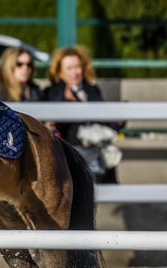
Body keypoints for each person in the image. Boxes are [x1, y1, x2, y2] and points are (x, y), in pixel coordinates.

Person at [43, 45, 123, 183]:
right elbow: (54, 124)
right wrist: (66, 100)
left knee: (96, 195)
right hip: (71, 154)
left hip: (96, 152)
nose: (75, 72)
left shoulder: (92, 89)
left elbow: (103, 117)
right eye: (69, 68)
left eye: (77, 67)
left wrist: (117, 122)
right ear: (59, 72)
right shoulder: (53, 92)